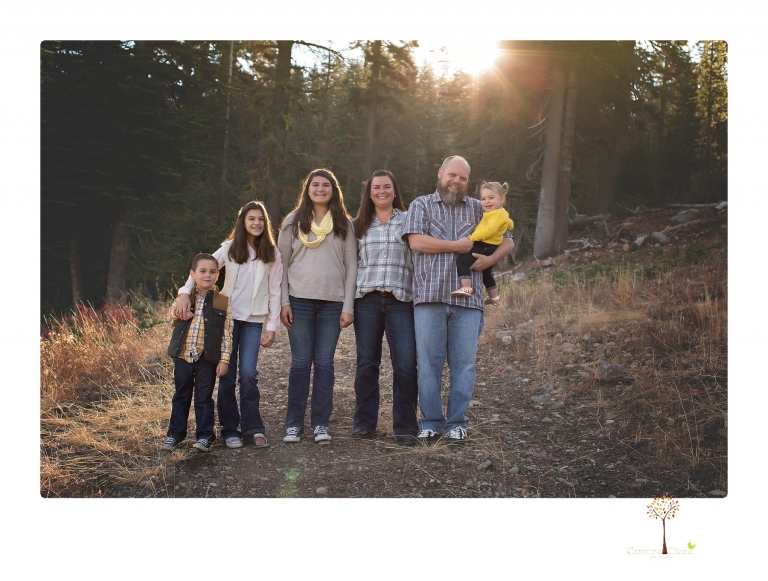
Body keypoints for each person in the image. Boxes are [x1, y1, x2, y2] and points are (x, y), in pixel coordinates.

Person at [402, 155, 514, 444]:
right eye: (452, 175)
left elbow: (508, 240)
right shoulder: (421, 205)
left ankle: (456, 424)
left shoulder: (481, 207)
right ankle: (430, 422)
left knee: (464, 364)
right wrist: (456, 246)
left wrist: (487, 260)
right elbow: (416, 242)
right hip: (430, 297)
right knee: (429, 364)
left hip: (469, 301)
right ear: (441, 173)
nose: (456, 182)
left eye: (463, 178)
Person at [173, 201, 282, 449]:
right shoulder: (229, 248)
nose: (256, 223)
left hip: (254, 321)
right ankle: (230, 429)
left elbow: (275, 290)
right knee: (226, 375)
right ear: (243, 222)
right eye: (251, 218)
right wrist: (184, 292)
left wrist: (272, 326)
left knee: (248, 373)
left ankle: (253, 427)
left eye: (261, 219)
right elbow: (204, 270)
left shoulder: (272, 253)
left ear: (266, 224)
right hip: (226, 320)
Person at [278, 168, 358, 443]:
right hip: (299, 301)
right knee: (300, 363)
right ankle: (294, 424)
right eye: (315, 185)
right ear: (307, 189)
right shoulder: (293, 221)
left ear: (333, 190)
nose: (320, 189)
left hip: (333, 304)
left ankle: (321, 424)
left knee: (324, 364)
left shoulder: (344, 223)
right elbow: (282, 265)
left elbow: (352, 266)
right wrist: (284, 302)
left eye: (326, 185)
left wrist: (349, 306)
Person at [351, 169, 419, 445]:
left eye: (387, 186)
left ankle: (404, 426)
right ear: (369, 193)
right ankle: (364, 423)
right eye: (376, 187)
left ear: (394, 190)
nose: (382, 191)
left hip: (401, 300)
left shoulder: (408, 221)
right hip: (366, 300)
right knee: (367, 363)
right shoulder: (357, 225)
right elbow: (350, 266)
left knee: (404, 363)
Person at [164, 253, 233, 453]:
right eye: (202, 271)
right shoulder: (185, 297)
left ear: (217, 276)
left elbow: (227, 333)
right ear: (193, 274)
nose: (207, 275)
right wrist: (179, 311)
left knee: (204, 398)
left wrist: (224, 360)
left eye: (212, 272)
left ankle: (204, 436)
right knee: (181, 395)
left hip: (207, 358)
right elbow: (169, 321)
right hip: (183, 356)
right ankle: (175, 434)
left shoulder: (221, 301)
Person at [451, 181, 514, 306]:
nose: (487, 202)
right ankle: (494, 297)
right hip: (490, 246)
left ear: (501, 199)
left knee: (462, 261)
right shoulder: (500, 213)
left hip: (484, 245)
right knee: (486, 273)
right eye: (483, 199)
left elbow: (488, 231)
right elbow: (511, 225)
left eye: (491, 198)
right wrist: (505, 221)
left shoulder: (497, 214)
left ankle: (466, 287)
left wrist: (471, 238)